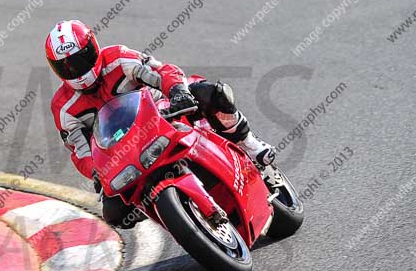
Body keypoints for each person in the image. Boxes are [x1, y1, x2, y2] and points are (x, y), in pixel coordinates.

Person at [46, 20, 276, 229]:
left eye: (79, 60)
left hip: (164, 113)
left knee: (212, 94)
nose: (75, 70)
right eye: (65, 67)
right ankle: (166, 209)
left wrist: (177, 91)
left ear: (93, 49)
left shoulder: (118, 58)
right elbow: (80, 150)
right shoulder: (63, 107)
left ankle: (251, 145)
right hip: (123, 152)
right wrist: (96, 171)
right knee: (114, 213)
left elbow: (161, 70)